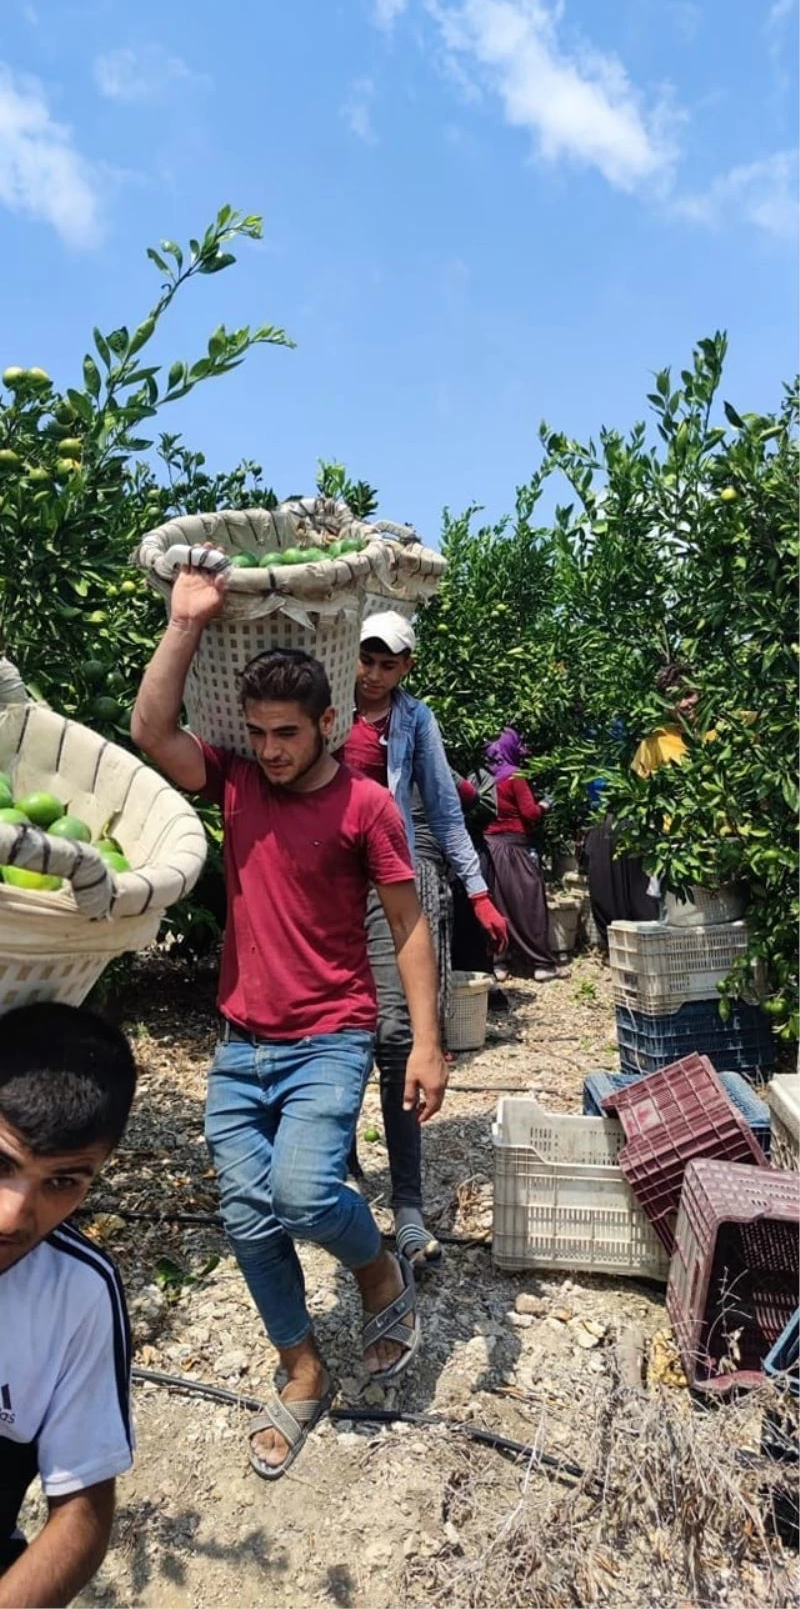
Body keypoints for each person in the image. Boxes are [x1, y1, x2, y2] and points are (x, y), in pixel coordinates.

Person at [131, 569, 448, 1481]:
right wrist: (185, 623)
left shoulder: (366, 806)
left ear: (327, 725)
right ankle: (303, 1368)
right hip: (241, 1044)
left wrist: (427, 1042)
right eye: (259, 732)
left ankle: (377, 1268)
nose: (270, 750)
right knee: (246, 1214)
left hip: (330, 1037)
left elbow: (408, 923)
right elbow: (151, 731)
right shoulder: (236, 782)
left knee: (305, 1195)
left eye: (288, 734)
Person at [337, 613, 507, 1273]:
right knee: (335, 1033)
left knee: (397, 1035)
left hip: (387, 887)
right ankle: (341, 1172)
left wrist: (478, 891)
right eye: (366, 659)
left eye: (389, 664)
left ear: (406, 666)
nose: (374, 674)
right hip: (322, 888)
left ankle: (406, 1203)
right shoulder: (323, 703)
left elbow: (442, 807)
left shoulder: (415, 720)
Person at [0, 1003, 136, 1605]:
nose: (13, 1216)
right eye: (1, 1163)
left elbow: (82, 1509)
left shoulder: (79, 1292)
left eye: (62, 1182)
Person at [583, 664, 706, 946]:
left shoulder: (722, 732)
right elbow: (636, 797)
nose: (685, 704)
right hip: (676, 847)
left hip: (723, 844)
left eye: (689, 694)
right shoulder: (655, 744)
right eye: (676, 698)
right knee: (682, 924)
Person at [481, 727, 566, 982]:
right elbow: (530, 813)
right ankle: (542, 963)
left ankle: (499, 962)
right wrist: (546, 804)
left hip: (490, 848)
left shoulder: (483, 776)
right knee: (529, 904)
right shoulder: (514, 776)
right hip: (514, 848)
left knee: (498, 904)